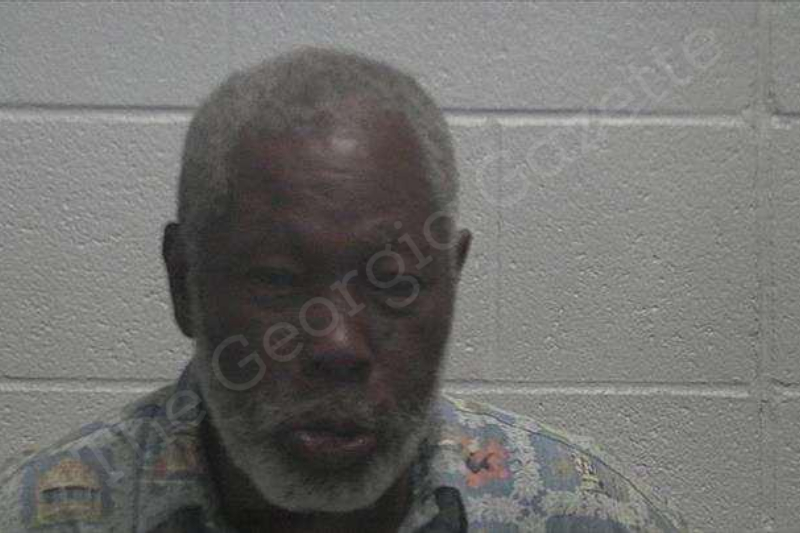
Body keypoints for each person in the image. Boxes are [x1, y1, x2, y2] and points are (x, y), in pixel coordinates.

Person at [0, 47, 685, 532]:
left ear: (452, 279)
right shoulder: (43, 514)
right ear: (185, 282)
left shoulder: (582, 513)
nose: (338, 345)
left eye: (395, 283)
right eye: (277, 278)